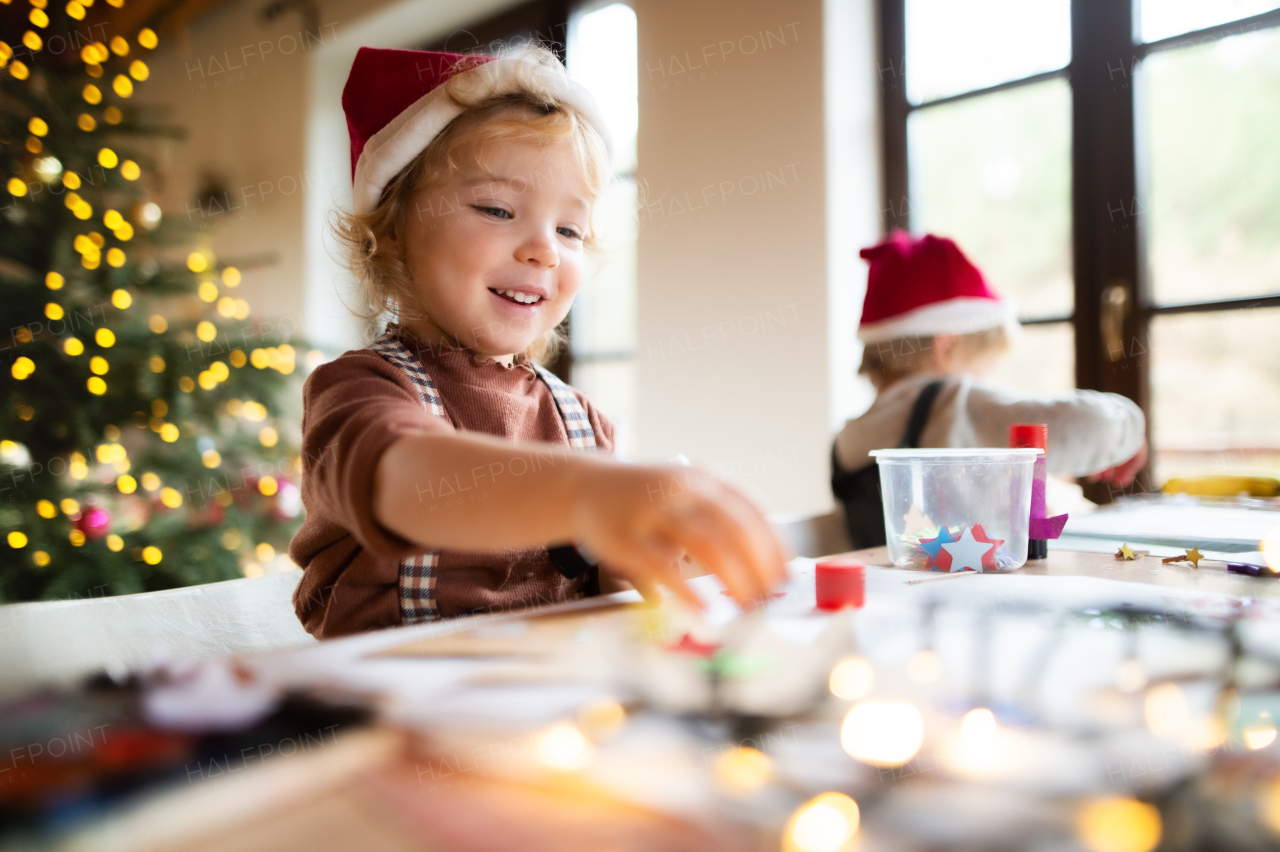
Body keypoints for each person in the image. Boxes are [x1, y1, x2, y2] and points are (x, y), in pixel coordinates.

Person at [290, 47, 786, 637]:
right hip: (396, 709)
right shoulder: (358, 389)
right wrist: (590, 492)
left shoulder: (582, 422)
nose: (544, 249)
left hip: (552, 709)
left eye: (570, 229)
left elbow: (610, 598)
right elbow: (407, 481)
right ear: (393, 231)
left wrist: (660, 560)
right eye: (498, 209)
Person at [832, 231, 1146, 550]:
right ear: (948, 346)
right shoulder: (951, 405)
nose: (987, 381)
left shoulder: (848, 437)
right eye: (986, 366)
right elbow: (1092, 424)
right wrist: (1128, 430)